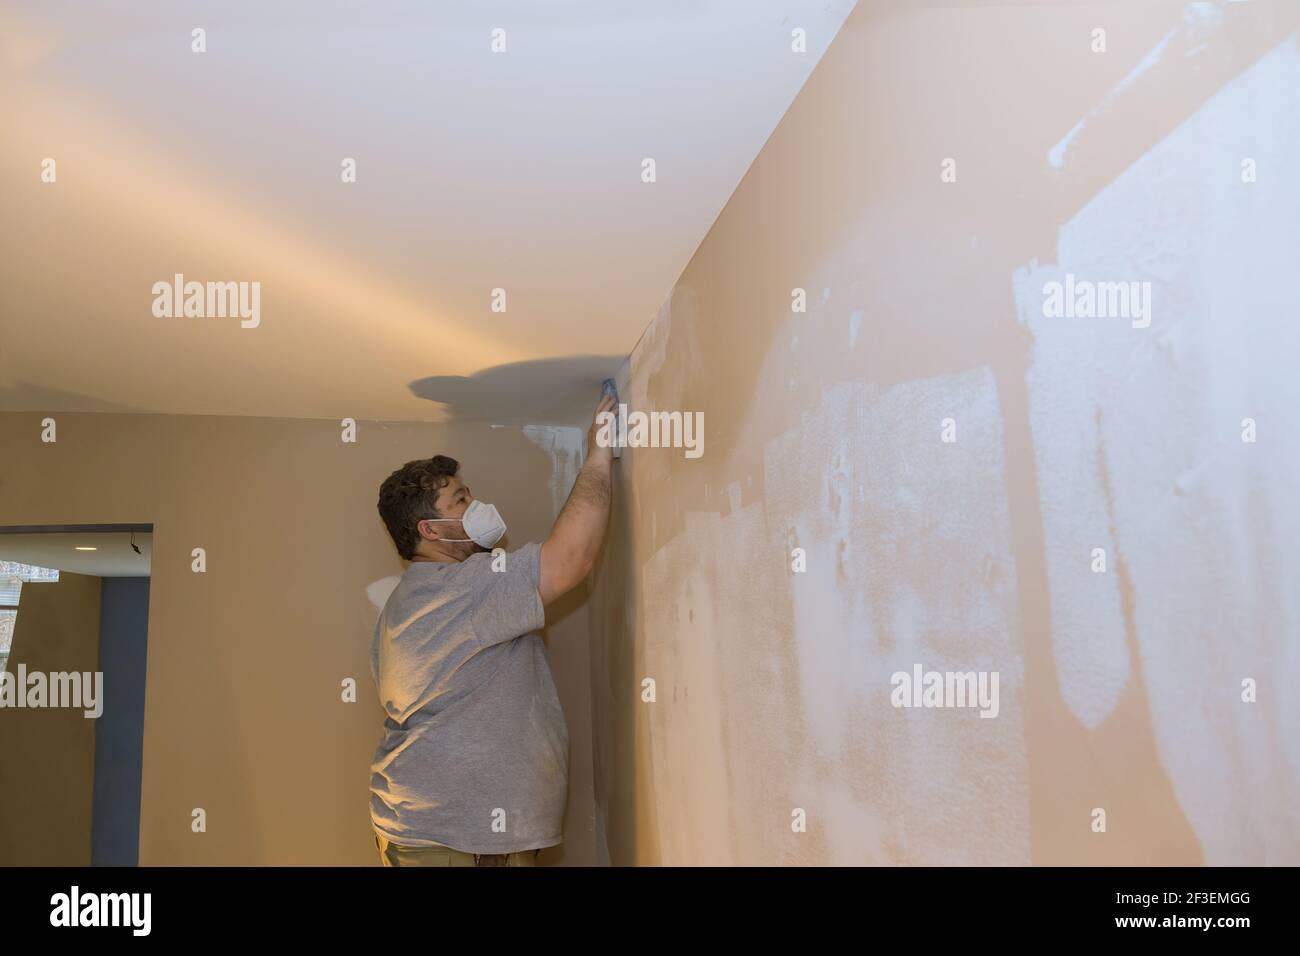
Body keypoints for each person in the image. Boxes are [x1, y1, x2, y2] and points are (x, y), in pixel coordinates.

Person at [368, 391, 615, 866]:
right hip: (457, 839)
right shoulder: (460, 589)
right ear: (431, 531)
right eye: (461, 500)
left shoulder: (412, 598)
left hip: (443, 832)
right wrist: (599, 457)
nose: (476, 505)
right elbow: (571, 559)